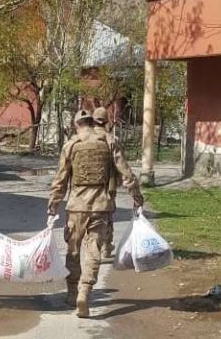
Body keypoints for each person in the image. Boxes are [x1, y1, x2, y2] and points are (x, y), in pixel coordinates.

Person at [47, 109, 143, 318]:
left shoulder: (71, 145)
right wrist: (137, 197)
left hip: (76, 207)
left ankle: (72, 294)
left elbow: (60, 180)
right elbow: (126, 173)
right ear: (92, 122)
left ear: (76, 124)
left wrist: (52, 205)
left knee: (73, 251)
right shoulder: (108, 141)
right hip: (101, 206)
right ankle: (85, 291)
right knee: (93, 251)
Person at [92, 106, 131, 259]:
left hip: (86, 187)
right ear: (107, 122)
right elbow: (121, 166)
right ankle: (106, 248)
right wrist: (133, 189)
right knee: (106, 217)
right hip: (108, 186)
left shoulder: (82, 139)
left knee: (90, 217)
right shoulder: (111, 140)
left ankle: (93, 247)